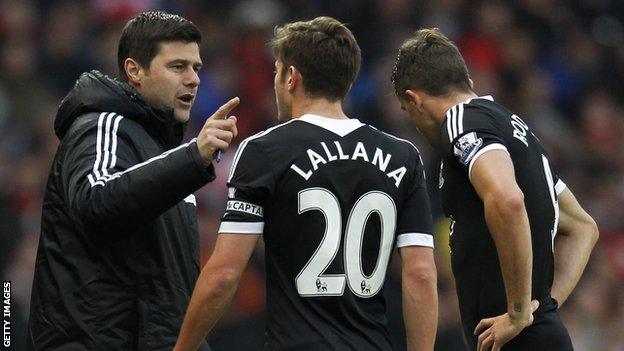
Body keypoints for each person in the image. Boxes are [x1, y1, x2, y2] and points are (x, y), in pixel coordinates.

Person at [175, 16, 438, 351]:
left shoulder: (264, 151)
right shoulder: (403, 156)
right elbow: (421, 274)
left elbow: (225, 273)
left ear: (291, 77)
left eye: (276, 71)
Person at [27, 11, 239, 350]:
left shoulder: (166, 156)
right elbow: (96, 204)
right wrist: (191, 157)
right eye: (177, 67)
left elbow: (168, 292)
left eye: (196, 68)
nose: (194, 79)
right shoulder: (103, 126)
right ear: (134, 71)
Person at [391, 28, 599, 351]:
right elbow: (583, 226)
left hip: (516, 340)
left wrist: (519, 313)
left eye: (407, 111)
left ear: (414, 100)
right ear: (467, 82)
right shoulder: (513, 128)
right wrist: (542, 307)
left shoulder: (462, 123)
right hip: (534, 335)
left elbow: (507, 200)